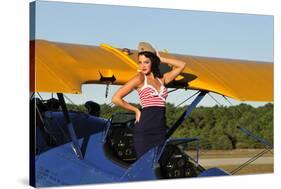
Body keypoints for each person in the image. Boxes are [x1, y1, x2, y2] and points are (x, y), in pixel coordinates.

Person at [112, 42, 186, 159]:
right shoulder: (140, 78)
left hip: (160, 129)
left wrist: (161, 58)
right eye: (140, 62)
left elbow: (182, 65)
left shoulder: (163, 80)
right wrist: (136, 110)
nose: (142, 66)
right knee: (144, 164)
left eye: (146, 62)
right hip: (144, 129)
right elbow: (116, 98)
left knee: (159, 162)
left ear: (153, 62)